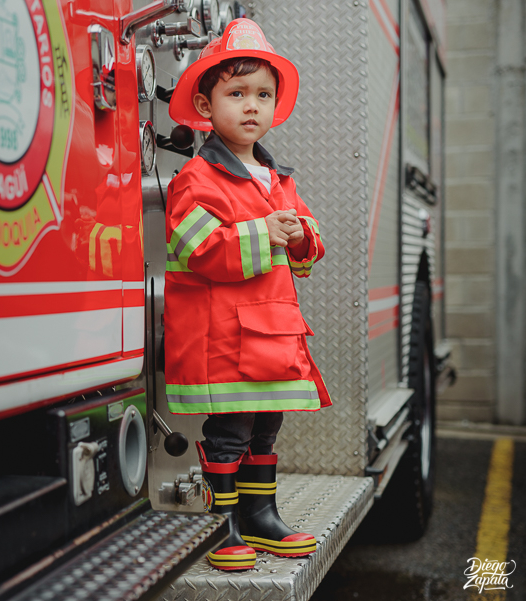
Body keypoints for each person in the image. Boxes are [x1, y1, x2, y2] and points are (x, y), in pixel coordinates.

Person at [164, 18, 331, 571]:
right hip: (225, 339)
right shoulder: (196, 179)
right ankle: (224, 526)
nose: (252, 106)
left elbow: (308, 242)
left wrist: (302, 235)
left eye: (263, 95)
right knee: (230, 431)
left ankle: (260, 516)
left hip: (273, 333)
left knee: (265, 424)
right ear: (207, 107)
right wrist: (270, 233)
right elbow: (200, 250)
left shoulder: (276, 175)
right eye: (237, 94)